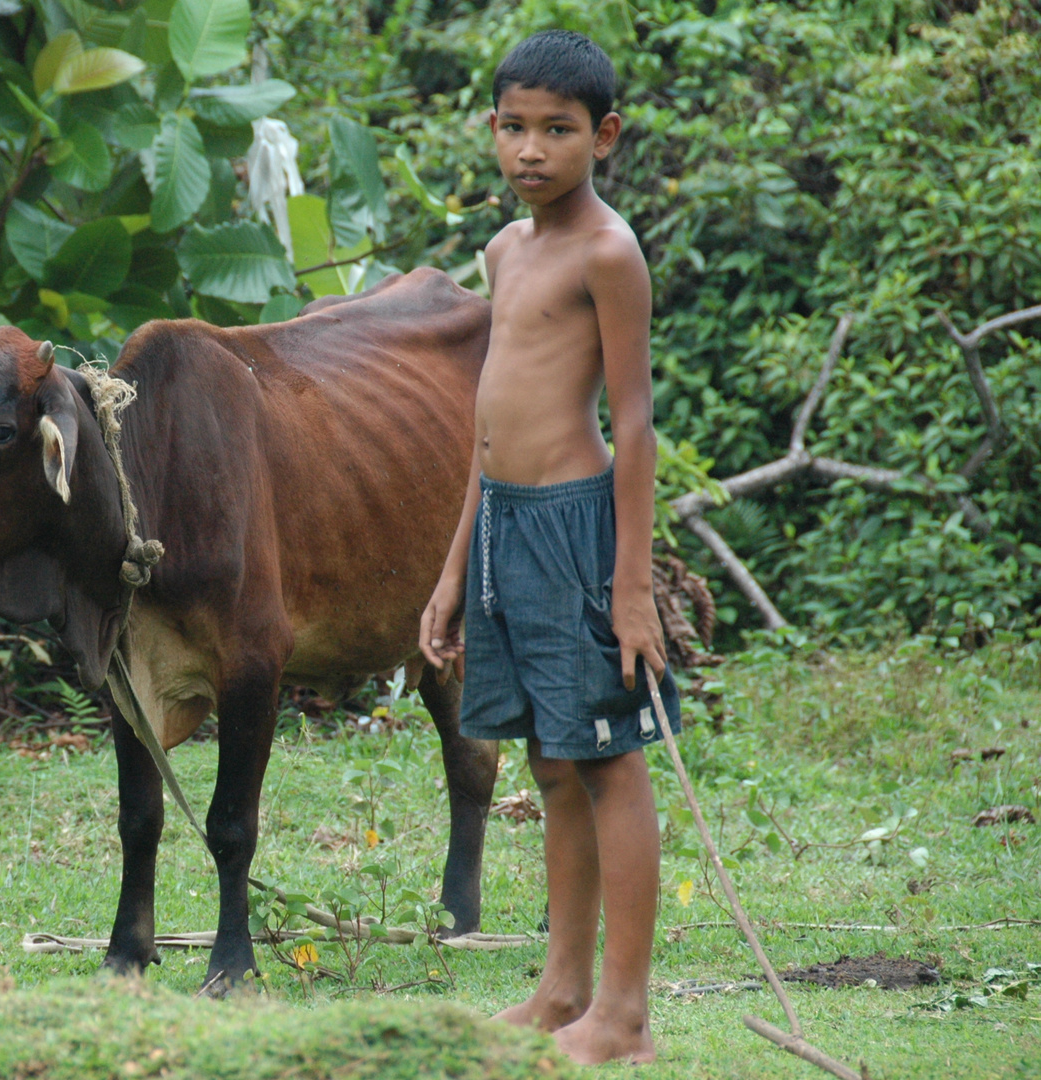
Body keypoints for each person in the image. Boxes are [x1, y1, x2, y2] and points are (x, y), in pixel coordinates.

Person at [418, 29, 682, 1067]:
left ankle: (624, 1014)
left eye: (558, 130)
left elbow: (635, 424)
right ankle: (564, 988)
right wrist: (450, 574)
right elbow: (487, 428)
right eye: (516, 128)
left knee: (609, 762)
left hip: (577, 530)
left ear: (603, 136)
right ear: (492, 130)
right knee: (551, 761)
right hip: (501, 526)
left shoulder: (607, 254)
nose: (533, 150)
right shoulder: (505, 251)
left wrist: (630, 587)